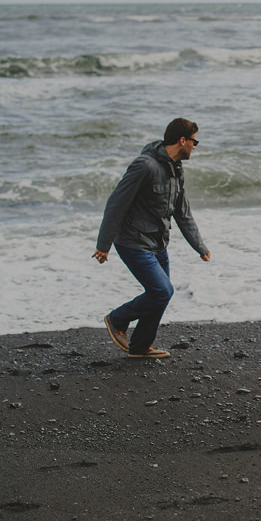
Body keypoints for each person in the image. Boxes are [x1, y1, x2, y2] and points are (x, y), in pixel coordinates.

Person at [93, 118, 210, 358]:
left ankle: (139, 347)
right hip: (133, 242)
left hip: (158, 243)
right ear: (182, 140)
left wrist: (199, 247)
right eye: (194, 141)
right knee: (161, 291)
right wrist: (103, 245)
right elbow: (116, 204)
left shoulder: (176, 170)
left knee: (160, 296)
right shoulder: (144, 166)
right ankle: (117, 319)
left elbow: (182, 212)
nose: (195, 147)